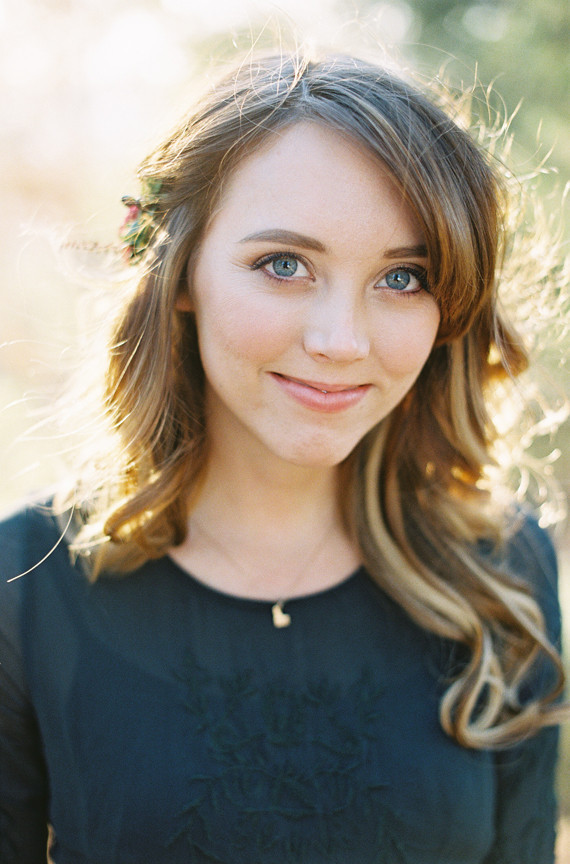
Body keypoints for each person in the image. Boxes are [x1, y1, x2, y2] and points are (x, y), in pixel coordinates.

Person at [0, 50, 567, 864]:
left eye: (403, 277)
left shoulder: (501, 571)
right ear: (181, 270)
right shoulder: (23, 588)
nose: (341, 341)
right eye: (284, 265)